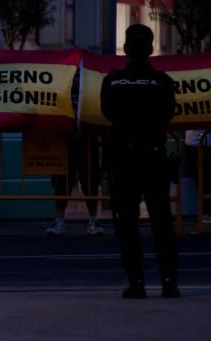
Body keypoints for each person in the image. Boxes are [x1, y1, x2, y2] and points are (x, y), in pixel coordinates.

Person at [100, 24, 179, 299]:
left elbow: (107, 112)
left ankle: (137, 282)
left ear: (126, 48)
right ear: (150, 49)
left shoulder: (112, 82)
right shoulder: (163, 83)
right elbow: (168, 115)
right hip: (154, 156)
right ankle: (169, 281)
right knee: (161, 221)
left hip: (123, 159)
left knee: (127, 223)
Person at [46, 132, 105, 236]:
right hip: (65, 138)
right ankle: (59, 220)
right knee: (61, 181)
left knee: (90, 181)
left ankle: (93, 220)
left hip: (87, 139)